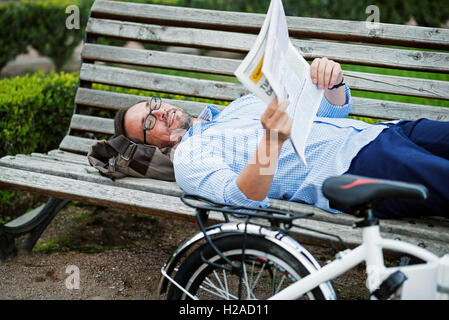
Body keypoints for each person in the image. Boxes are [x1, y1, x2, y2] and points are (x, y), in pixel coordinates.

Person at [114, 57, 449, 219]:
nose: (160, 113)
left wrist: (331, 83)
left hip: (386, 130)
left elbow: (334, 112)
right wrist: (271, 142)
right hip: (357, 169)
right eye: (148, 121)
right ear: (153, 144)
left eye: (153, 104)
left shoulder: (238, 107)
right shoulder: (190, 158)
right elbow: (240, 199)